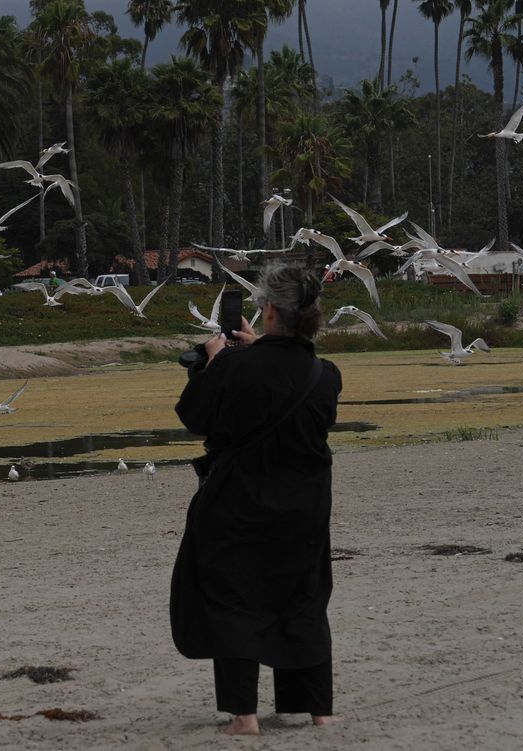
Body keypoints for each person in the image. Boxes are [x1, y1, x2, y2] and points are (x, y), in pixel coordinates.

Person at [170, 264, 342, 736]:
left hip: (239, 500)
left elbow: (195, 416)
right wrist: (250, 355)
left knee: (232, 598)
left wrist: (216, 360)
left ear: (267, 311)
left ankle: (244, 715)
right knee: (303, 598)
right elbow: (294, 398)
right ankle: (318, 709)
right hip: (306, 505)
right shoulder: (325, 374)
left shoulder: (235, 366)